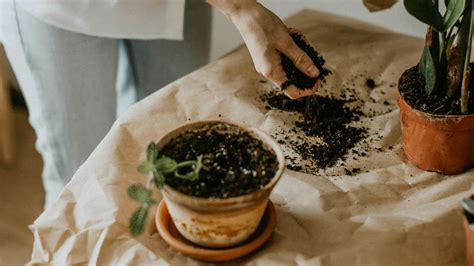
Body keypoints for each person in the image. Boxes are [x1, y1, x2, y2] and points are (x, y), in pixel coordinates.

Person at [1, 0, 325, 208]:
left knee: (172, 141)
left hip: (173, 5)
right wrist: (240, 8)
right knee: (79, 168)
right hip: (62, 9)